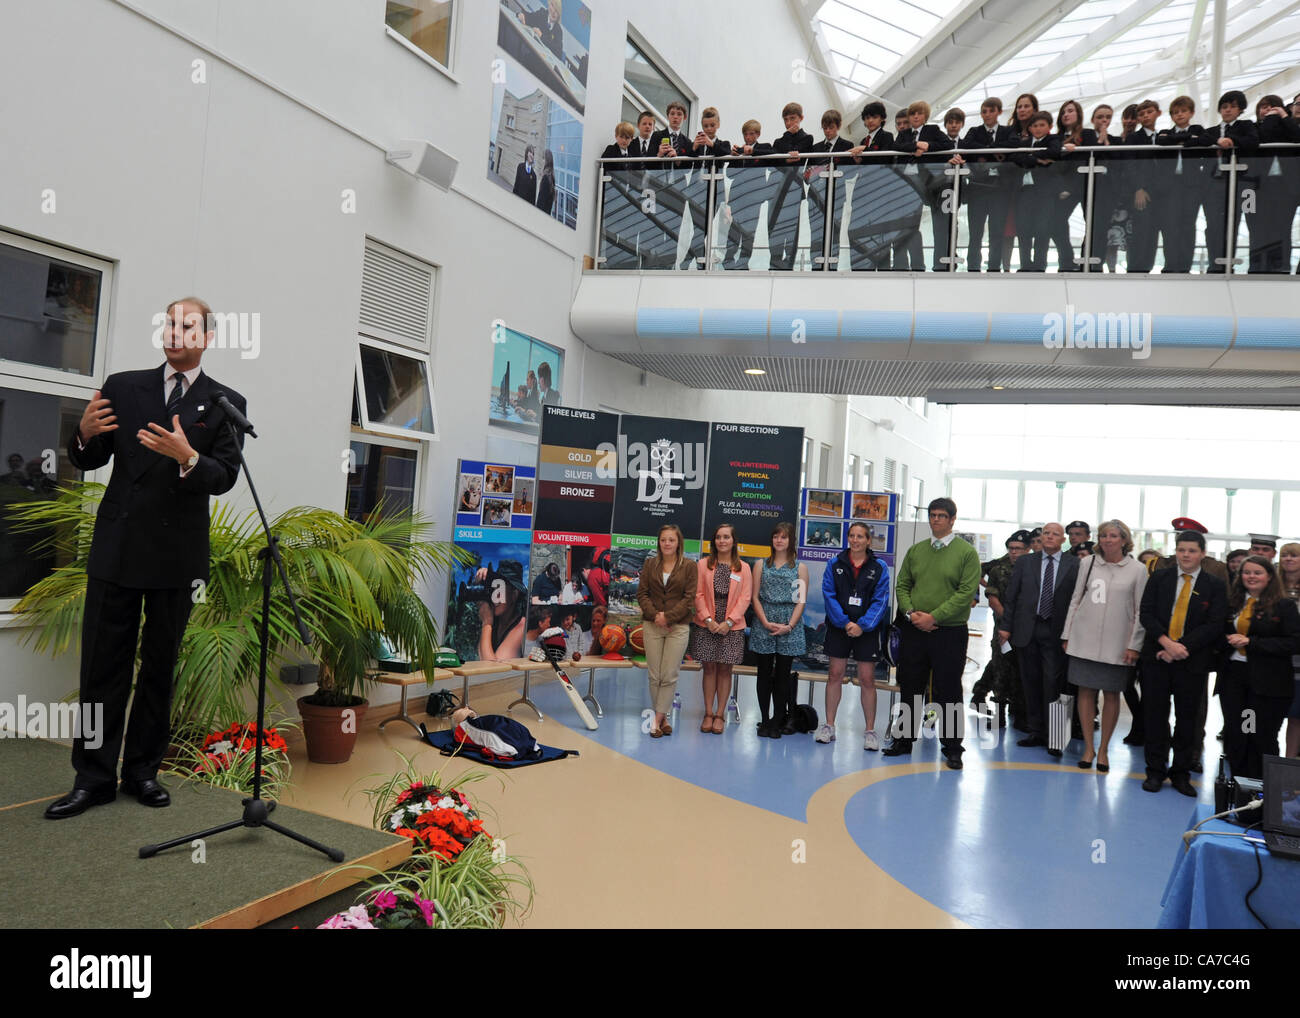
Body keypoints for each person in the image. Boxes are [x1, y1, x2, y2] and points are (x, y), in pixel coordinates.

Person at [46, 297, 247, 819]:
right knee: (101, 669)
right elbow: (91, 456)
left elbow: (223, 477)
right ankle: (92, 778)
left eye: (188, 326)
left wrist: (188, 458)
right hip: (118, 550)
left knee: (159, 668)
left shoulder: (225, 402)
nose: (175, 332)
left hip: (175, 559)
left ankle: (142, 772)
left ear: (206, 337)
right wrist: (83, 436)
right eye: (170, 323)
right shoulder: (123, 386)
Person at [890, 497, 981, 768]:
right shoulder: (917, 550)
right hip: (915, 629)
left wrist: (934, 617)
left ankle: (953, 747)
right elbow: (902, 584)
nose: (936, 519)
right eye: (932, 515)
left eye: (941, 515)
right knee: (910, 685)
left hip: (949, 632)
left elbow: (966, 593)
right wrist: (910, 613)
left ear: (953, 519)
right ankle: (903, 740)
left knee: (949, 689)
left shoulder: (966, 553)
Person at [1138, 529, 1228, 795]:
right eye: (1181, 550)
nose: (1186, 555)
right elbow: (1146, 613)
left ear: (1202, 554)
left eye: (1191, 551)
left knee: (1187, 719)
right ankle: (1155, 771)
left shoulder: (1214, 585)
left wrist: (1181, 647)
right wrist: (1166, 643)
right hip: (1157, 656)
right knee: (1155, 716)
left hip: (1192, 661)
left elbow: (1214, 624)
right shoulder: (1159, 578)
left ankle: (1180, 773)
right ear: (1175, 552)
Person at [1061, 520, 1147, 772]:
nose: (1107, 540)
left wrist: (1135, 644)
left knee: (1111, 694)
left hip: (1117, 643)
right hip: (1083, 639)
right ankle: (1088, 747)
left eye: (1113, 535)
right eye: (1103, 536)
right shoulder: (1087, 563)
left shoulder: (1137, 569)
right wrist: (1067, 634)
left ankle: (1104, 750)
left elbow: (1140, 609)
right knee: (1085, 693)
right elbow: (1076, 599)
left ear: (1123, 539)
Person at [999, 522, 1079, 757]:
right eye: (1046, 533)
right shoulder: (1026, 562)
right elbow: (1012, 596)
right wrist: (1006, 627)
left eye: (1055, 534)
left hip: (1057, 632)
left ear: (1063, 539)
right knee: (1030, 682)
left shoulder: (1074, 564)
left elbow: (1078, 600)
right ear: (1041, 538)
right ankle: (1035, 731)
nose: (1050, 537)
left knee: (1054, 684)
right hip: (1027, 630)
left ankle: (1056, 737)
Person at [1218, 555, 1300, 779]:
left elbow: (1294, 642)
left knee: (1259, 736)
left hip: (1267, 684)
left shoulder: (1283, 605)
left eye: (1257, 573)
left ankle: (1262, 796)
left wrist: (1252, 642)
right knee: (1238, 734)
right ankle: (1239, 791)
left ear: (1270, 576)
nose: (1251, 577)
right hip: (1235, 678)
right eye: (1247, 572)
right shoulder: (1234, 602)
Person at [815, 520, 889, 747]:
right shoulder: (834, 563)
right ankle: (829, 725)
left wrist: (863, 625)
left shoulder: (879, 568)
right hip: (840, 628)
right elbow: (829, 595)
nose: (855, 540)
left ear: (868, 540)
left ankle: (869, 731)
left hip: (866, 631)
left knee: (867, 679)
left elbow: (881, 600)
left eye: (860, 536)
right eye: (852, 536)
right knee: (834, 675)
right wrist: (846, 622)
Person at [690, 522, 752, 734]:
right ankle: (708, 713)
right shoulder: (703, 564)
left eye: (726, 537)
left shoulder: (743, 568)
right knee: (709, 668)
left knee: (725, 669)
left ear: (733, 541)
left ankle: (720, 714)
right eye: (719, 537)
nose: (722, 541)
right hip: (706, 623)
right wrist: (708, 620)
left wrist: (729, 622)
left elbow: (745, 598)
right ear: (714, 541)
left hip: (731, 626)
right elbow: (697, 594)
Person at [636, 524, 698, 738]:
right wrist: (656, 616)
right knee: (655, 675)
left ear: (678, 542)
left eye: (671, 540)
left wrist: (668, 617)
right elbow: (642, 594)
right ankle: (663, 717)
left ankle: (657, 720)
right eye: (663, 540)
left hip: (678, 627)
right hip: (652, 625)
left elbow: (689, 598)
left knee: (669, 674)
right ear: (659, 542)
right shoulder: (650, 564)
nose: (667, 544)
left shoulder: (689, 566)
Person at [1189, 90, 1259, 272]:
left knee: (1236, 222)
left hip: (1240, 185)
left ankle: (1229, 264)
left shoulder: (1246, 126)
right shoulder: (1211, 132)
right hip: (1214, 185)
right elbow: (1195, 142)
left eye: (1233, 107)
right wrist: (1218, 140)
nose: (1228, 110)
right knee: (1213, 226)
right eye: (1224, 107)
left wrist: (1231, 140)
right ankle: (1215, 263)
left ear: (1241, 109)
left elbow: (1253, 141)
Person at [749, 522, 808, 737]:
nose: (779, 540)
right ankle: (764, 719)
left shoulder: (799, 568)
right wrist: (764, 621)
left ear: (791, 541)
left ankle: (777, 720)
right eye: (776, 536)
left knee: (783, 676)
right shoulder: (760, 565)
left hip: (789, 624)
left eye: (784, 537)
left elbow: (801, 601)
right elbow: (754, 597)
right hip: (764, 621)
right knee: (763, 674)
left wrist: (789, 626)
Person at [970, 529, 1031, 729]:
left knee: (1022, 670)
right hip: (1003, 627)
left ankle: (1021, 713)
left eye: (1019, 549)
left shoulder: (1033, 569)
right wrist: (1008, 621)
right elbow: (992, 598)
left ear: (1027, 549)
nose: (1014, 552)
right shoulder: (998, 568)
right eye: (1011, 549)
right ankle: (999, 714)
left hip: (1027, 628)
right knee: (1001, 668)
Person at [894, 100, 956, 271]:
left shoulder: (932, 130)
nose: (915, 116)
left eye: (919, 113)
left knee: (921, 226)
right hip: (906, 183)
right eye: (913, 113)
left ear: (925, 116)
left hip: (926, 183)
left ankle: (926, 265)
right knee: (904, 224)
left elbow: (948, 145)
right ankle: (901, 265)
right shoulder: (904, 133)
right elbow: (897, 146)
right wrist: (915, 146)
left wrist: (927, 146)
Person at [960, 97, 1015, 272]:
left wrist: (986, 151)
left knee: (997, 232)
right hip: (978, 188)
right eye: (984, 111)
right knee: (975, 233)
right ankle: (973, 267)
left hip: (1000, 189)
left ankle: (994, 267)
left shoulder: (1008, 131)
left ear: (999, 112)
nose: (988, 114)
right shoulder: (974, 131)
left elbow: (1014, 145)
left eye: (991, 111)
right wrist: (994, 150)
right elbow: (966, 145)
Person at [1154, 95, 1206, 273]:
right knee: (1169, 226)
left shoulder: (1198, 128)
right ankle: (1170, 265)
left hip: (1191, 185)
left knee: (1187, 225)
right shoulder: (1166, 132)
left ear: (1191, 112)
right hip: (1170, 186)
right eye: (1175, 112)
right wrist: (1186, 140)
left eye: (1183, 111)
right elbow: (1160, 141)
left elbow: (1205, 140)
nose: (1180, 115)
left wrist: (1185, 139)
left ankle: (1184, 265)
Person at [843, 101, 898, 270]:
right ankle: (862, 265)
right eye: (867, 118)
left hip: (881, 190)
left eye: (874, 117)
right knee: (861, 229)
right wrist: (857, 159)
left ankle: (882, 267)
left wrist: (864, 152)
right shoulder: (863, 140)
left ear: (882, 118)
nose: (870, 121)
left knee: (881, 230)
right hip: (865, 190)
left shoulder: (887, 137)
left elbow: (883, 159)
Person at [1250, 95, 1300, 273]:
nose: (1267, 111)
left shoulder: (1287, 129)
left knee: (1282, 228)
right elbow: (1262, 136)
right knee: (1257, 229)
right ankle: (1256, 267)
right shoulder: (1253, 128)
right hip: (1257, 189)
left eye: (1272, 107)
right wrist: (1272, 117)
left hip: (1285, 188)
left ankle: (1281, 267)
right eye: (1263, 107)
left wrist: (1284, 117)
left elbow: (1298, 136)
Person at [767, 102, 815, 270]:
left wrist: (787, 155)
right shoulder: (779, 140)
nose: (789, 123)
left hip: (799, 185)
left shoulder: (808, 138)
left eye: (793, 119)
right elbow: (778, 156)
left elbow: (799, 154)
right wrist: (788, 145)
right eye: (786, 120)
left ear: (801, 118)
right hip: (784, 184)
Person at [1012, 112, 1062, 272]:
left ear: (1049, 126)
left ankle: (1040, 264)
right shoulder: (1024, 142)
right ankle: (1025, 264)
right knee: (1023, 228)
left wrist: (1031, 156)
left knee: (1042, 228)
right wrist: (1037, 160)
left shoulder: (1053, 140)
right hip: (1025, 191)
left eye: (1042, 125)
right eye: (1034, 125)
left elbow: (1054, 152)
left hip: (1044, 192)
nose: (1038, 128)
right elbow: (1017, 157)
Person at [683, 106, 731, 269]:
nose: (708, 129)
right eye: (705, 126)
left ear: (718, 124)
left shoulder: (723, 143)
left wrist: (710, 144)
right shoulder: (696, 144)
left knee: (713, 225)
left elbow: (724, 154)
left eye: (712, 125)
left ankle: (712, 259)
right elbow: (687, 163)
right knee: (694, 225)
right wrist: (694, 148)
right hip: (697, 189)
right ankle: (695, 259)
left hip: (714, 189)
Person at [1051, 99, 1096, 271]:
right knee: (1056, 223)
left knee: (1091, 223)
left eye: (1070, 111)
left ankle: (1087, 261)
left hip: (1086, 185)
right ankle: (1067, 261)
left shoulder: (1088, 134)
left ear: (1078, 113)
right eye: (1063, 112)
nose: (1066, 114)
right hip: (1064, 188)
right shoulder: (1056, 138)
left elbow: (1090, 156)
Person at [806, 109, 852, 270]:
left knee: (837, 227)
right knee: (816, 228)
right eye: (825, 128)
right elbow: (809, 171)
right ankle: (815, 262)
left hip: (837, 192)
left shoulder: (847, 146)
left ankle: (834, 262)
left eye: (831, 127)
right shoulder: (816, 147)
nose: (828, 131)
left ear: (838, 126)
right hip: (818, 194)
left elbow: (849, 171)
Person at [1124, 99, 1163, 273]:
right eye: (1142, 114)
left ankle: (1148, 266)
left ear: (1158, 113)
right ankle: (1136, 268)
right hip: (1142, 191)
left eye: (1149, 112)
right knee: (1141, 230)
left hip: (1161, 192)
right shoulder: (1134, 138)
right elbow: (1130, 164)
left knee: (1154, 231)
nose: (1146, 116)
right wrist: (1138, 188)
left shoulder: (1164, 137)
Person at [1088, 104, 1125, 271]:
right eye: (1100, 117)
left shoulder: (1115, 140)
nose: (1104, 120)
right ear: (1092, 119)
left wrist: (1106, 139)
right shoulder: (1085, 135)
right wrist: (1100, 139)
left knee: (1103, 227)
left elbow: (1115, 160)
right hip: (1089, 188)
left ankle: (1098, 263)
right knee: (1092, 226)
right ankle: (1088, 260)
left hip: (1107, 191)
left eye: (1108, 117)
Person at [475, 561, 527, 661]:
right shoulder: (496, 622)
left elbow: (492, 669)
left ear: (514, 595)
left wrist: (486, 623)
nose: (494, 596)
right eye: (492, 590)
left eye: (500, 590)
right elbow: (481, 653)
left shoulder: (522, 627)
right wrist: (484, 581)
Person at [1276, 543, 1300, 759]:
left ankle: (1289, 763)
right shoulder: (1271, 586)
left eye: (1294, 556)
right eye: (1285, 555)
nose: (1289, 559)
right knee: (1267, 715)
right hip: (1274, 659)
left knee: (1296, 716)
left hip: (1299, 662)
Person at [536, 149, 556, 216]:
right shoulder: (552, 178)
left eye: (543, 158)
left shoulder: (546, 178)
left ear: (546, 161)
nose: (542, 161)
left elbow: (540, 203)